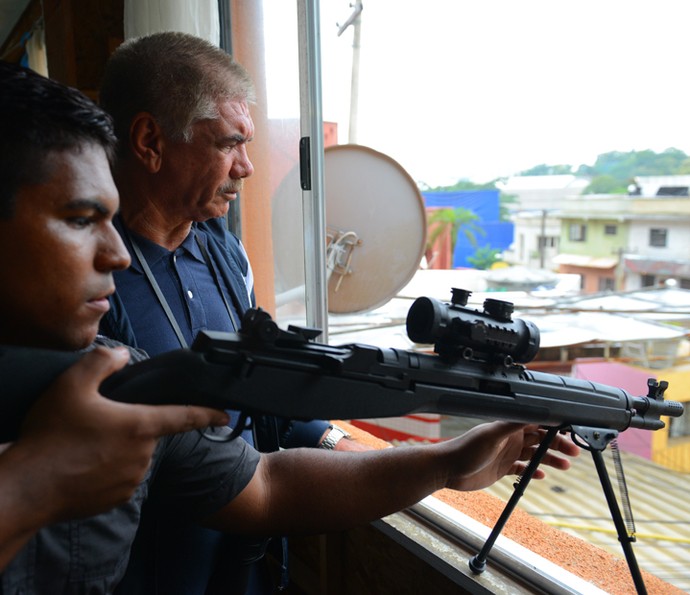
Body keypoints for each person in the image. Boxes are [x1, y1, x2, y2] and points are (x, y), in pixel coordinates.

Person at [0, 59, 578, 595]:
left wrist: (444, 460)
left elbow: (268, 482)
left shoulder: (203, 273)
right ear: (151, 142)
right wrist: (32, 485)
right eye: (79, 219)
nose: (115, 253)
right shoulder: (92, 351)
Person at [96, 31, 367, 594]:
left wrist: (333, 441)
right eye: (229, 143)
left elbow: (259, 387)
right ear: (150, 140)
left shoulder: (223, 250)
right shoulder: (89, 277)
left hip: (247, 567)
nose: (246, 167)